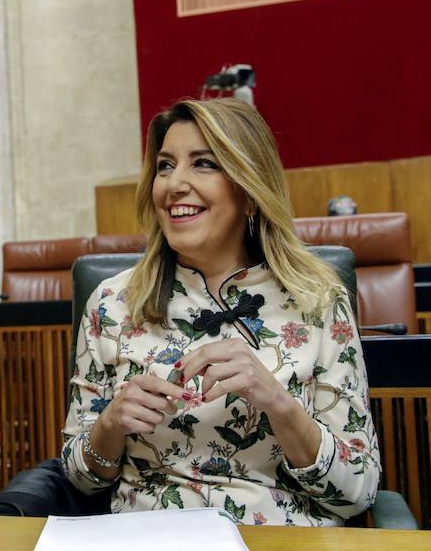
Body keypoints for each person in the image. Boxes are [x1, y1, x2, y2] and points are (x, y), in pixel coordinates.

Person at [62, 98, 381, 526]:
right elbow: (81, 481)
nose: (174, 184)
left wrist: (280, 406)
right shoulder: (111, 303)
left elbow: (358, 491)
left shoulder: (318, 300)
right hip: (147, 537)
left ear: (250, 191)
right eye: (165, 166)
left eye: (204, 164)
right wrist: (110, 426)